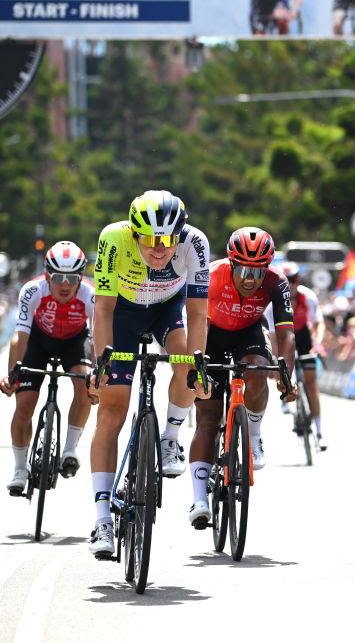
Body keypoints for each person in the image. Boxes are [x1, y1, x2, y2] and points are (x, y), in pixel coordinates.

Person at [86, 190, 212, 558]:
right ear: (135, 232)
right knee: (112, 411)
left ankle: (170, 436)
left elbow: (199, 314)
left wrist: (197, 364)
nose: (160, 249)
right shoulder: (113, 238)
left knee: (187, 367)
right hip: (122, 313)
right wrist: (102, 364)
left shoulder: (196, 243)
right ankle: (102, 520)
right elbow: (104, 310)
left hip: (166, 310)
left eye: (168, 240)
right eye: (151, 240)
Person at [187, 228, 297, 528]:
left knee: (259, 369)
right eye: (244, 270)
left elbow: (287, 332)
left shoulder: (277, 281)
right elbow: (194, 323)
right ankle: (198, 499)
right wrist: (196, 365)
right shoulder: (210, 275)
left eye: (258, 272)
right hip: (211, 333)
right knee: (208, 416)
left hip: (249, 331)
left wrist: (285, 373)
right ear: (232, 264)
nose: (251, 279)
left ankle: (254, 434)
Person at [2, 242, 95, 495]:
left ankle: (69, 450)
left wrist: (98, 378)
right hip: (38, 341)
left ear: (80, 277)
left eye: (72, 278)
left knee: (86, 385)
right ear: (47, 276)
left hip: (75, 342)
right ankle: (20, 469)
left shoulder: (90, 294)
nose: (65, 285)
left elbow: (98, 340)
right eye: (58, 278)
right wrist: (12, 375)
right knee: (24, 406)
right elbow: (20, 336)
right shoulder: (32, 290)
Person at [266, 262, 328, 449]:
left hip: (302, 336)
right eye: (285, 281)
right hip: (282, 337)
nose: (289, 285)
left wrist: (317, 344)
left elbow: (319, 324)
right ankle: (285, 397)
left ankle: (319, 432)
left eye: (292, 280)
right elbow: (274, 338)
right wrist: (275, 361)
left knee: (310, 383)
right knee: (281, 363)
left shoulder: (308, 296)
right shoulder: (272, 303)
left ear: (297, 280)